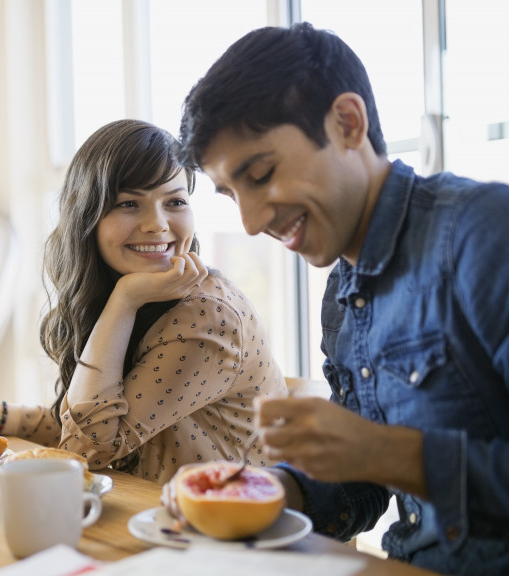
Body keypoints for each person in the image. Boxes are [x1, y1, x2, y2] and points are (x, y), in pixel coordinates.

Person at [173, 21, 509, 576]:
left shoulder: (481, 234)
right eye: (232, 194)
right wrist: (275, 488)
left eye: (261, 174)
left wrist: (388, 452)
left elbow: (383, 457)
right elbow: (365, 482)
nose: (252, 222)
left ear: (348, 123)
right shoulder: (342, 291)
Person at [0, 119, 287, 484]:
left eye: (174, 201)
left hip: (231, 533)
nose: (157, 224)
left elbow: (86, 449)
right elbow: (86, 419)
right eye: (129, 203)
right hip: (161, 522)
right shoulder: (142, 295)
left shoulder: (206, 316)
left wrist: (125, 300)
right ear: (87, 217)